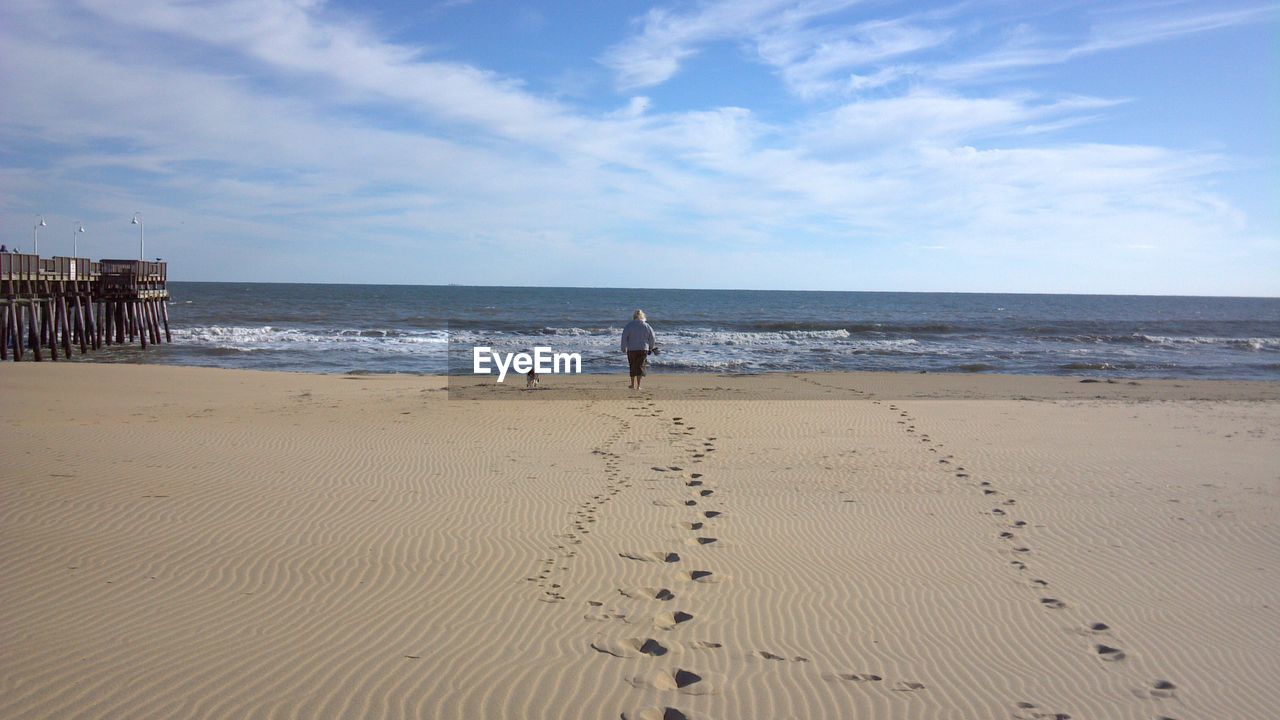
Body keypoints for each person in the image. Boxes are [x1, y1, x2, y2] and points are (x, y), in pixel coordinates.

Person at [621, 309, 657, 390]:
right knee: (640, 366)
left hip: (631, 349)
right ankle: (638, 386)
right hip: (643, 349)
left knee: (632, 366)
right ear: (643, 316)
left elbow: (624, 337)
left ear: (634, 316)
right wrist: (651, 347)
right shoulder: (647, 326)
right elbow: (652, 338)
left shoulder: (629, 325)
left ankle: (632, 385)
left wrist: (623, 348)